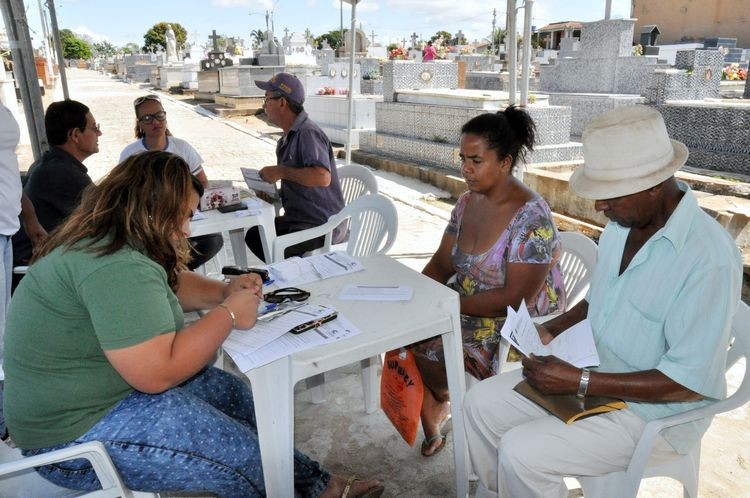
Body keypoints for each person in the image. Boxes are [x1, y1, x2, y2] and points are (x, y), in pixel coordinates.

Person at [3, 150, 383, 498]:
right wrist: (230, 314)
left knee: (240, 399)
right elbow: (157, 373)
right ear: (153, 211)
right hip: (70, 438)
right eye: (185, 215)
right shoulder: (114, 266)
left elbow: (163, 285)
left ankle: (317, 488)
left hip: (96, 398)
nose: (188, 229)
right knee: (240, 456)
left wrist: (223, 291)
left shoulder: (113, 241)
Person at [463, 106, 742, 498]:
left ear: (653, 186)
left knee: (522, 452)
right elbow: (599, 299)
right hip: (594, 375)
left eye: (608, 196)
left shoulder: (708, 258)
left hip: (655, 412)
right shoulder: (620, 227)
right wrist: (552, 328)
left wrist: (580, 380)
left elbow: (687, 383)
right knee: (479, 404)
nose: (599, 208)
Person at [412, 107, 566, 457]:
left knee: (429, 347)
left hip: (518, 322)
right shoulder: (467, 203)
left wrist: (445, 308)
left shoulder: (531, 217)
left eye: (476, 160)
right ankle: (439, 400)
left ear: (505, 162)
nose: (465, 169)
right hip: (470, 302)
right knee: (405, 333)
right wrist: (416, 298)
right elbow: (441, 262)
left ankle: (442, 399)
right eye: (462, 158)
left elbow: (514, 298)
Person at [245, 72, 345, 262]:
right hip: (298, 220)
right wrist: (274, 195)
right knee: (256, 235)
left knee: (272, 245)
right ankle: (289, 276)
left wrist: (281, 171)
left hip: (320, 225)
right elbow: (298, 184)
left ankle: (293, 280)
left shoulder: (307, 133)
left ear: (282, 103)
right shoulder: (287, 138)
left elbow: (322, 177)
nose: (264, 105)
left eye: (267, 99)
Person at [120, 94, 222, 270]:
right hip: (149, 227)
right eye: (147, 118)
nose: (155, 122)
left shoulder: (182, 147)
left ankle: (177, 275)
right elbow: (125, 196)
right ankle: (171, 274)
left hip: (182, 222)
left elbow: (202, 183)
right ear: (140, 123)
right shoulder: (130, 154)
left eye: (160, 115)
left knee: (213, 239)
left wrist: (187, 210)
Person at [11, 99, 99, 290]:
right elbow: (109, 218)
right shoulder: (63, 173)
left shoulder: (48, 164)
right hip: (40, 274)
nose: (99, 133)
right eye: (94, 127)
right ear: (75, 134)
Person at [0, 104, 45, 435]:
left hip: (6, 229)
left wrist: (28, 217)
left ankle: (8, 417)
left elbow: (7, 167)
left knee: (4, 327)